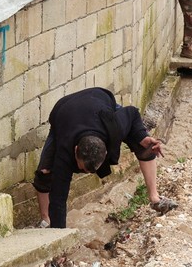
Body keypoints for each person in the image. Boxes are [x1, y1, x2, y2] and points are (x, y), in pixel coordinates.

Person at [33, 87, 176, 229]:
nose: (85, 173)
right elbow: (58, 198)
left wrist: (142, 137)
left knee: (147, 145)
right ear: (76, 150)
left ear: (106, 152)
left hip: (99, 101)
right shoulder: (65, 149)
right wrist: (58, 235)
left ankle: (155, 198)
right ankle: (47, 221)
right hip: (64, 112)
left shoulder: (114, 127)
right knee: (45, 172)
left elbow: (132, 113)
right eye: (82, 168)